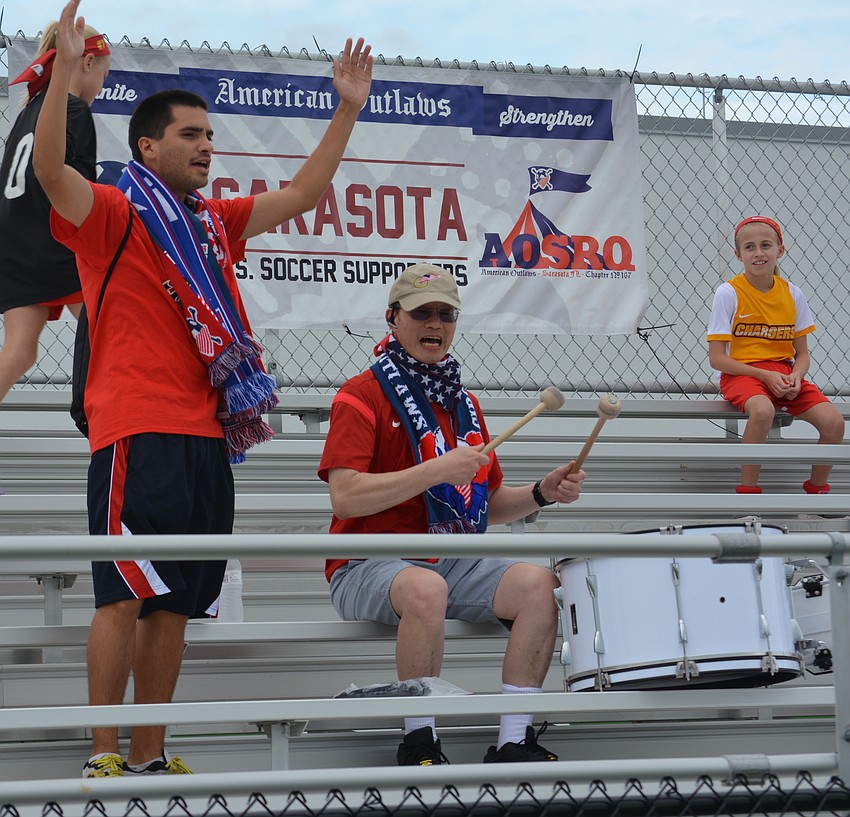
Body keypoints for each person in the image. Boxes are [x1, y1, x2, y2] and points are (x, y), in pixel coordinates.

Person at [33, 0, 372, 778]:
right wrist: (59, 78)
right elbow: (52, 171)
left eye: (211, 136)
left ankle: (149, 755)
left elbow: (305, 196)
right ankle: (102, 755)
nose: (206, 147)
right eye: (191, 135)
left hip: (207, 437)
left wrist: (346, 113)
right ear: (146, 144)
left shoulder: (214, 223)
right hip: (134, 429)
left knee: (176, 603)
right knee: (123, 596)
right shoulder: (113, 211)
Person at [318, 262, 586, 766]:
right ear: (392, 319)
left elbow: (492, 503)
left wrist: (543, 492)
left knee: (539, 586)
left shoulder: (463, 401)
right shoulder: (360, 395)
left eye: (446, 314)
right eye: (422, 314)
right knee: (426, 587)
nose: (435, 325)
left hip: (447, 558)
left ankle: (513, 742)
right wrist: (435, 471)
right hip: (366, 562)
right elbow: (345, 498)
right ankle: (419, 740)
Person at [0, 18, 110, 405]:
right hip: (56, 243)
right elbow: (75, 190)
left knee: (19, 350)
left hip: (14, 247)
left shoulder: (29, 110)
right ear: (86, 63)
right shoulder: (73, 108)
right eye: (104, 74)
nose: (102, 86)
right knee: (113, 331)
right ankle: (124, 424)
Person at [707, 215, 844, 494]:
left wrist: (796, 376)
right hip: (742, 373)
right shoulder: (728, 292)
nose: (758, 253)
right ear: (738, 254)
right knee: (762, 410)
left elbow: (802, 354)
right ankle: (747, 495)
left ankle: (817, 494)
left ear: (780, 250)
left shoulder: (793, 293)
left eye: (766, 245)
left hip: (783, 373)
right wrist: (764, 375)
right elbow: (717, 359)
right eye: (749, 247)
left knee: (834, 421)